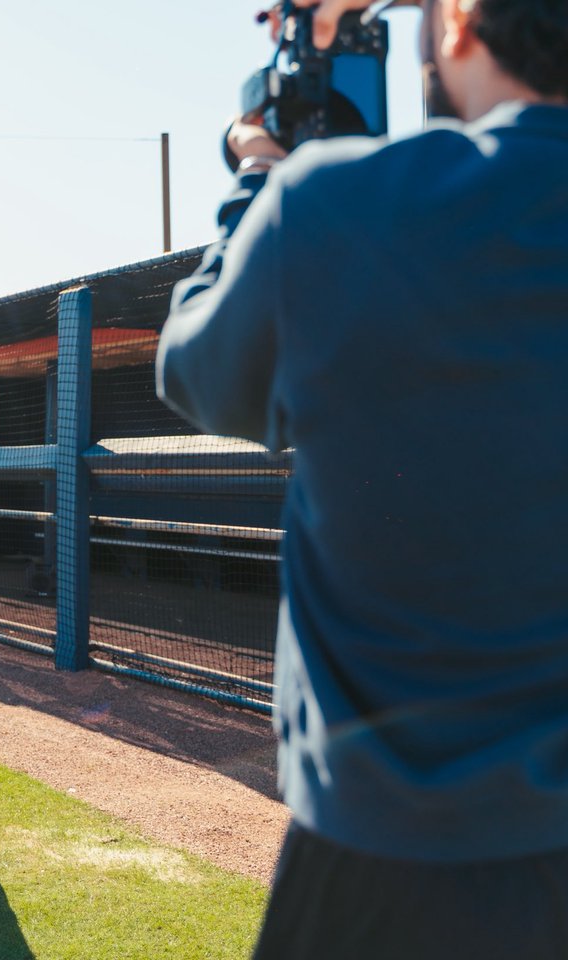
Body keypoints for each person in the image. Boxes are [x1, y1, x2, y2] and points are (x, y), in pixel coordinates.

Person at [156, 1, 568, 957]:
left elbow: (198, 372)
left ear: (459, 27)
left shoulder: (332, 201)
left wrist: (260, 175)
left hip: (383, 855)